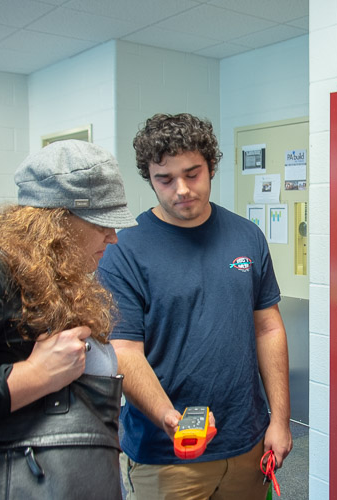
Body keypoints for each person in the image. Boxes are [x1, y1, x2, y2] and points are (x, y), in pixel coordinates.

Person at [97, 112, 292, 499]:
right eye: (165, 179)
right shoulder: (125, 250)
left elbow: (268, 328)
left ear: (211, 167)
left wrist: (280, 421)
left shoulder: (246, 236)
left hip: (246, 442)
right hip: (166, 454)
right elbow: (124, 352)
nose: (182, 189)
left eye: (193, 173)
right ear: (149, 178)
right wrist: (170, 419)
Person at [0, 140, 137, 498]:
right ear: (55, 220)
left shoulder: (49, 274)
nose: (113, 236)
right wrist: (33, 377)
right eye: (101, 223)